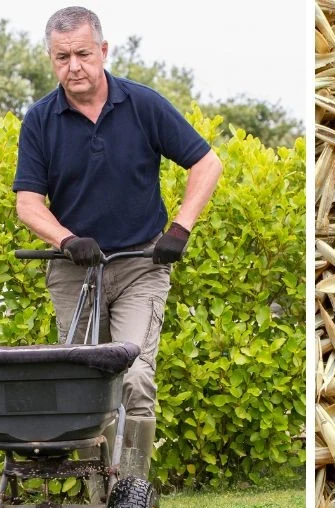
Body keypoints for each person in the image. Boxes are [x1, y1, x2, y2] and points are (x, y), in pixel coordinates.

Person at [13, 6, 222, 482]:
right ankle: (95, 494)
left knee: (134, 374)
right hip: (75, 271)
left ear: (103, 51)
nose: (74, 66)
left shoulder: (142, 105)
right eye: (62, 57)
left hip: (139, 264)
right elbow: (28, 204)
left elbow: (207, 164)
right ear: (51, 59)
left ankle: (130, 495)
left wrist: (180, 227)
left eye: (83, 54)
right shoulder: (41, 120)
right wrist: (66, 239)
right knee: (85, 381)